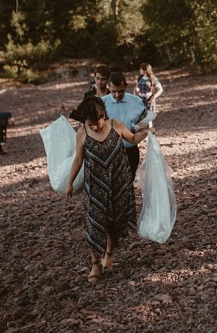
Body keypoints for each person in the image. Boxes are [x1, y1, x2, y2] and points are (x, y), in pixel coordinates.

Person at [62, 92, 151, 280]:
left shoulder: (116, 125)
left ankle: (109, 255)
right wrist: (69, 182)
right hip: (95, 185)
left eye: (97, 122)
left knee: (115, 220)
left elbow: (132, 140)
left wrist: (147, 133)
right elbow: (78, 159)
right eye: (90, 123)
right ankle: (95, 264)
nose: (94, 126)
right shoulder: (83, 133)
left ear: (104, 116)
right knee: (94, 223)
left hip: (119, 181)